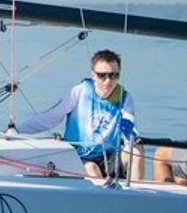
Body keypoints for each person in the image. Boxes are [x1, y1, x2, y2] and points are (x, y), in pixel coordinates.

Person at [12, 49, 138, 179]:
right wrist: (17, 132)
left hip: (109, 157)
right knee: (92, 169)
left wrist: (131, 135)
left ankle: (139, 190)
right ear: (93, 75)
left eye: (113, 75)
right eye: (102, 75)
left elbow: (129, 122)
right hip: (80, 157)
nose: (108, 81)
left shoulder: (125, 97)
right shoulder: (79, 92)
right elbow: (50, 117)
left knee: (136, 151)